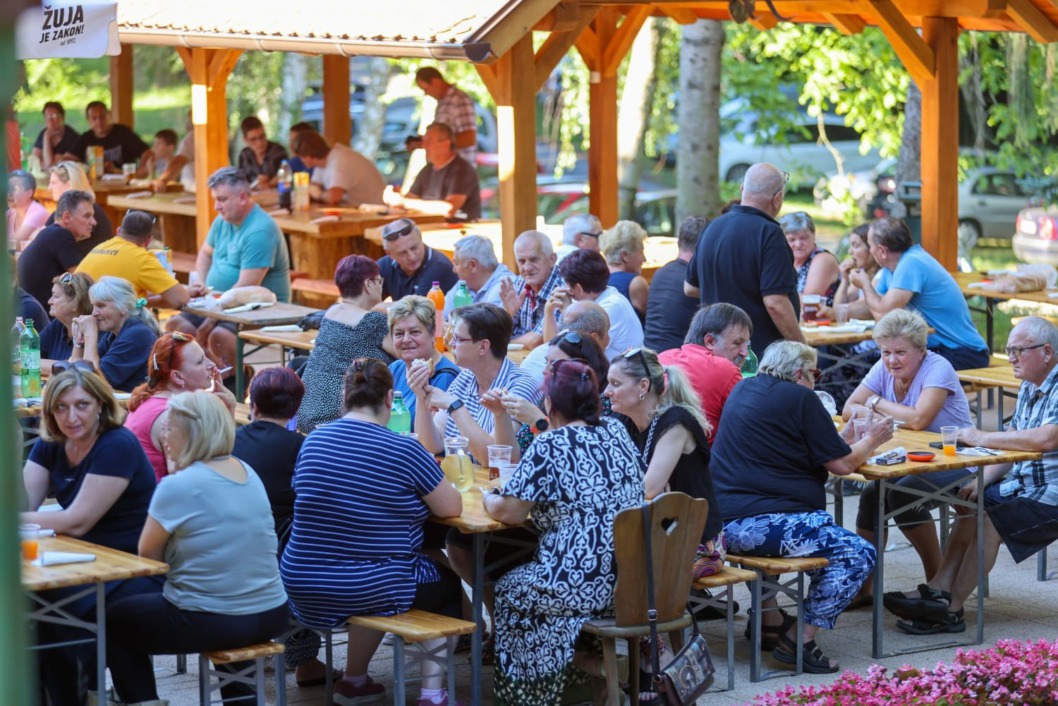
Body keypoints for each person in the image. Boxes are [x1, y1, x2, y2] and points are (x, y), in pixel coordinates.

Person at [282, 359, 464, 706]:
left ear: (344, 397)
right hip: (367, 584)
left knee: (375, 570)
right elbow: (451, 508)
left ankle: (354, 681)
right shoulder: (406, 449)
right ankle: (431, 693)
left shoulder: (314, 440)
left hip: (302, 584)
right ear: (389, 397)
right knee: (442, 582)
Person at [711, 341, 892, 673]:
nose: (816, 381)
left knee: (821, 542)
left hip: (725, 525)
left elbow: (818, 447)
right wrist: (874, 439)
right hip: (766, 525)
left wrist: (847, 437)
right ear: (798, 373)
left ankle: (769, 622)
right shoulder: (801, 397)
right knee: (857, 553)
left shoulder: (744, 389)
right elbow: (842, 467)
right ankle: (800, 640)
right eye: (815, 373)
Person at [106, 391, 289, 705]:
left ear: (191, 431)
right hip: (272, 611)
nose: (163, 433)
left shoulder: (178, 485)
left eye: (169, 426)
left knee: (112, 620)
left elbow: (148, 559)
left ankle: (142, 700)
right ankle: (241, 700)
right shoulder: (247, 472)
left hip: (220, 619)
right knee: (220, 597)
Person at [883, 317, 1058, 635]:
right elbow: (1016, 436)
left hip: (1051, 489)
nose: (1011, 358)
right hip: (1024, 482)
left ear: (1046, 352)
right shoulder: (1031, 384)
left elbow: (1047, 439)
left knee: (990, 518)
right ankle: (937, 589)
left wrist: (980, 437)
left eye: (1018, 350)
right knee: (970, 503)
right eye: (1009, 350)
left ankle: (951, 609)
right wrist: (981, 480)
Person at [484, 359, 644, 704]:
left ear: (550, 405)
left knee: (509, 590)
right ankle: (592, 675)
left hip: (577, 585)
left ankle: (537, 692)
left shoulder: (550, 445)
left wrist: (489, 497)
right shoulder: (616, 430)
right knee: (541, 586)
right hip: (629, 580)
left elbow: (510, 512)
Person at [21, 367, 159, 706]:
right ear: (50, 411)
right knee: (35, 606)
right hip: (79, 562)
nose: (72, 416)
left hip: (133, 567)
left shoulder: (117, 443)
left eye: (82, 405)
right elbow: (23, 503)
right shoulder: (51, 443)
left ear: (100, 404)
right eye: (61, 407)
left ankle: (95, 696)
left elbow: (77, 520)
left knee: (56, 608)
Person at [605, 346, 725, 704]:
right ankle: (642, 666)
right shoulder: (626, 423)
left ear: (643, 386)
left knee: (634, 586)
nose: (606, 391)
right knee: (607, 575)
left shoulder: (676, 422)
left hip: (698, 546)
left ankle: (663, 670)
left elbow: (648, 488)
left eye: (614, 383)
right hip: (648, 541)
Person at [840, 308, 973, 607]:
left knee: (900, 495)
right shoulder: (883, 367)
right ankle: (865, 587)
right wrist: (877, 405)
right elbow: (849, 407)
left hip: (957, 459)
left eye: (900, 352)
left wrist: (875, 402)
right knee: (873, 494)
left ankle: (938, 586)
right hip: (912, 457)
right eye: (885, 352)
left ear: (921, 350)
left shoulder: (938, 368)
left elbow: (917, 420)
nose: (891, 360)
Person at [232, 367, 327, 688]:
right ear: (296, 408)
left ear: (252, 404)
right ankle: (306, 662)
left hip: (231, 551)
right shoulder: (302, 447)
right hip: (282, 558)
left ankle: (297, 658)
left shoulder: (229, 441)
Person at [167, 167, 290, 382]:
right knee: (177, 328)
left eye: (222, 199)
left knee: (218, 336)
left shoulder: (260, 230)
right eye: (215, 199)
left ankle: (235, 381)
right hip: (219, 300)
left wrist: (207, 322)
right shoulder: (223, 221)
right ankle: (214, 376)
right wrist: (203, 285)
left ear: (242, 197)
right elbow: (205, 253)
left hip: (259, 308)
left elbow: (244, 289)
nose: (216, 206)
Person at [685, 163, 804, 353]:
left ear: (742, 190)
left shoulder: (711, 228)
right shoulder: (770, 234)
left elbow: (690, 287)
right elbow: (776, 303)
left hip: (715, 348)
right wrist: (800, 348)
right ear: (778, 198)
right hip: (756, 355)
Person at [848, 216, 989, 370]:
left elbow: (883, 315)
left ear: (881, 250)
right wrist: (831, 313)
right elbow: (871, 305)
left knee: (886, 368)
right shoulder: (892, 268)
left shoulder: (911, 263)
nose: (870, 250)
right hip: (938, 349)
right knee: (860, 363)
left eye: (870, 245)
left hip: (963, 352)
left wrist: (864, 284)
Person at [412, 303, 540, 464]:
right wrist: (420, 395)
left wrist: (455, 406)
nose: (450, 344)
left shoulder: (519, 386)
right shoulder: (465, 378)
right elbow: (431, 444)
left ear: (483, 346)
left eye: (458, 339)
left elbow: (494, 458)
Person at [298, 255, 394, 432]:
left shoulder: (332, 312)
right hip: (341, 419)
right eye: (379, 281)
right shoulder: (373, 322)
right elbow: (408, 352)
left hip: (305, 412)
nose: (381, 286)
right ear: (368, 284)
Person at [492, 327, 611, 456]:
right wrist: (500, 415)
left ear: (582, 369)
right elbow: (510, 457)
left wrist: (537, 420)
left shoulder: (603, 404)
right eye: (546, 361)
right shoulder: (548, 399)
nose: (545, 370)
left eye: (555, 364)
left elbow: (571, 458)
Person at [124, 332, 224, 480]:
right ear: (177, 376)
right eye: (200, 361)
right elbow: (185, 476)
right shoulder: (172, 414)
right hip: (155, 501)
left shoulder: (152, 399)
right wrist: (222, 411)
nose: (211, 364)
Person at [658, 303, 751, 439]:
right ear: (710, 341)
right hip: (705, 457)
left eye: (747, 345)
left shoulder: (661, 357)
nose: (745, 353)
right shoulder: (726, 370)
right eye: (737, 343)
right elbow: (749, 425)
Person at [76, 210, 190, 310]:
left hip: (75, 316)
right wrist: (141, 302)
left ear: (118, 231)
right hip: (102, 322)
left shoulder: (101, 246)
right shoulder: (142, 259)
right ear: (149, 240)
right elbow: (180, 299)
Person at [546, 248, 644, 359]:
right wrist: (549, 310)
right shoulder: (591, 299)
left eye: (567, 284)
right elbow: (550, 349)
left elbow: (573, 353)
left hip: (623, 374)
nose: (566, 289)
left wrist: (569, 313)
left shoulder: (611, 307)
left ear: (579, 288)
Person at [70, 276, 161, 392]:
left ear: (123, 307)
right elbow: (75, 374)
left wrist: (89, 334)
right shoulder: (113, 334)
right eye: (93, 306)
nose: (94, 313)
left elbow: (92, 382)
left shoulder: (138, 334)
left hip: (136, 407)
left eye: (101, 306)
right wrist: (79, 341)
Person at [388, 295, 461, 425]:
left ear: (433, 334)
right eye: (399, 333)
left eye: (414, 332)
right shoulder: (395, 368)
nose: (406, 339)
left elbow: (434, 437)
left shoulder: (446, 377)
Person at [385, 122, 480, 221]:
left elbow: (449, 209)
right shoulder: (427, 170)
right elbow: (412, 199)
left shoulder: (462, 170)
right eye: (424, 141)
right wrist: (396, 199)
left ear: (446, 143)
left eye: (429, 141)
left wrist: (404, 202)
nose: (424, 145)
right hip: (434, 227)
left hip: (461, 231)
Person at [18, 189, 95, 310]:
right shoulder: (61, 235)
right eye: (87, 216)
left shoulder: (51, 233)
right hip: (42, 317)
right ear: (67, 217)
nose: (94, 222)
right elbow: (82, 283)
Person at [644, 215, 707, 352]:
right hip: (678, 363)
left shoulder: (661, 272)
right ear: (706, 244)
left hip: (651, 356)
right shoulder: (697, 279)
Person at [518, 300, 611, 386]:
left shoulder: (545, 349)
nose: (544, 371)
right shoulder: (574, 363)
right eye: (607, 331)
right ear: (594, 338)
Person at [499, 230, 564, 349]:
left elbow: (537, 341)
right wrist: (509, 314)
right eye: (522, 261)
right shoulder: (518, 283)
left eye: (534, 260)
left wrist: (503, 343)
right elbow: (492, 334)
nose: (527, 268)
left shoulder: (562, 287)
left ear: (552, 259)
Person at [291, 130, 385, 207]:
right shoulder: (322, 162)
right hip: (357, 210)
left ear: (308, 157)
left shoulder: (339, 160)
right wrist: (314, 192)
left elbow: (333, 197)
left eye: (300, 157)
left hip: (374, 214)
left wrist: (318, 194)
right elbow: (313, 187)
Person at [377, 217, 458, 300]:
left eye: (414, 248)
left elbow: (417, 309)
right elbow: (365, 303)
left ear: (421, 239)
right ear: (389, 253)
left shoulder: (440, 267)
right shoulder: (384, 265)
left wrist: (379, 307)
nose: (411, 257)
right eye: (402, 253)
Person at [412, 66, 478, 163]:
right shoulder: (443, 102)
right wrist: (425, 141)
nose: (426, 94)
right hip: (444, 169)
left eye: (426, 89)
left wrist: (439, 145)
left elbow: (469, 138)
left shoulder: (459, 99)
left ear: (436, 81)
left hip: (458, 169)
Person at [45, 161, 114, 252]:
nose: (49, 188)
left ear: (68, 185)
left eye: (53, 183)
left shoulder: (88, 212)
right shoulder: (69, 211)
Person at [69, 101, 152, 173]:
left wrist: (140, 171)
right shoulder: (86, 137)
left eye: (102, 116)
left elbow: (147, 153)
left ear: (109, 115)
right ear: (88, 121)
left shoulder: (123, 133)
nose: (99, 121)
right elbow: (69, 158)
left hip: (122, 180)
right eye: (94, 118)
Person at [781, 211, 840, 307]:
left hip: (822, 320)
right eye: (792, 239)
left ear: (814, 236)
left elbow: (808, 302)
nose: (798, 244)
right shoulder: (786, 258)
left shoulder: (823, 259)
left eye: (803, 238)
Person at [445, 234, 514, 316]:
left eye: (456, 264)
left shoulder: (504, 285)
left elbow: (484, 326)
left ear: (473, 265)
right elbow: (439, 316)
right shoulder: (465, 282)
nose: (454, 270)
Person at [39, 272, 94, 372]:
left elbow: (78, 370)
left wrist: (38, 364)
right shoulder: (58, 325)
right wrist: (63, 365)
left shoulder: (94, 331)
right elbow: (26, 357)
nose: (49, 301)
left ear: (76, 302)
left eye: (56, 296)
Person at [600, 220, 649, 321]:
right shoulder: (636, 283)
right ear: (625, 255)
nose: (644, 259)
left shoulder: (596, 280)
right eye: (641, 252)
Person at [236, 116, 289, 189]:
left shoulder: (278, 151)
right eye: (253, 139)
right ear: (245, 140)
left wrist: (270, 184)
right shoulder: (244, 155)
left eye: (262, 136)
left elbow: (286, 175)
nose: (260, 143)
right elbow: (240, 182)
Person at [6, 168, 50, 247]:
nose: (9, 193)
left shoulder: (38, 212)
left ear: (29, 193)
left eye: (15, 188)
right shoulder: (10, 213)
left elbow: (16, 243)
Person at [31, 101, 80, 170]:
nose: (50, 120)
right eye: (47, 116)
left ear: (62, 117)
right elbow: (34, 160)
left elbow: (51, 164)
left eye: (54, 116)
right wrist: (46, 137)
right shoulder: (44, 133)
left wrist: (46, 164)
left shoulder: (72, 137)